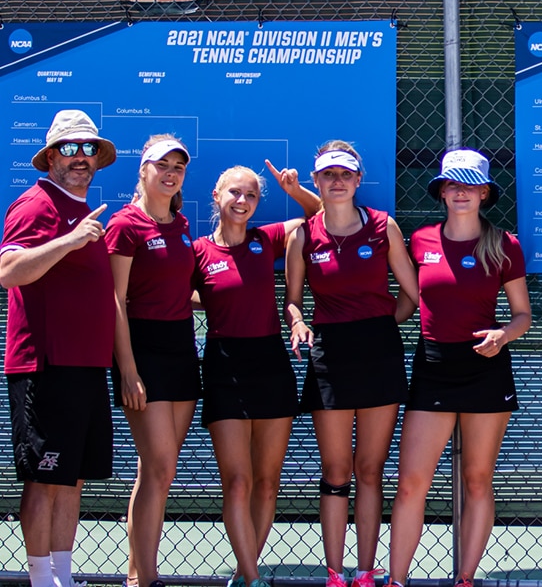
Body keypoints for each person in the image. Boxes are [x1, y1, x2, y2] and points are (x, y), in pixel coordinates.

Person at [388, 148, 531, 587]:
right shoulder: (420, 241)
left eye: (470, 185)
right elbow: (410, 302)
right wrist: (377, 327)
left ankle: (465, 578)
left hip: (485, 370)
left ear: (485, 192)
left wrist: (502, 335)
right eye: (453, 185)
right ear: (442, 192)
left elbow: (523, 315)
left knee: (477, 480)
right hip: (432, 366)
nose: (461, 193)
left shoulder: (505, 245)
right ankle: (395, 580)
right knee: (412, 482)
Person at [284, 142, 418, 587]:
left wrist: (381, 324)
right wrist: (300, 323)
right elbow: (293, 301)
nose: (337, 181)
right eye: (328, 175)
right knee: (336, 472)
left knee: (369, 471)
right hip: (330, 358)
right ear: (316, 181)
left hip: (379, 352)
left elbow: (411, 293)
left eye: (345, 174)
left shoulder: (384, 227)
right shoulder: (302, 235)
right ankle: (334, 574)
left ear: (358, 180)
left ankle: (364, 571)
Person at [0, 109, 117, 587]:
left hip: (86, 365)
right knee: (45, 477)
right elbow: (10, 270)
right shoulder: (35, 204)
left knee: (71, 477)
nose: (80, 158)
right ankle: (39, 578)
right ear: (50, 157)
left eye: (88, 149)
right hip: (46, 364)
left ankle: (63, 577)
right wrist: (69, 240)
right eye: (69, 149)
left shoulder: (82, 211)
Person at [193, 163, 320, 587]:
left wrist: (296, 190)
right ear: (217, 196)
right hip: (224, 367)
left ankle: (246, 570)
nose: (242, 201)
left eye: (250, 195)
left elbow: (319, 215)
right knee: (238, 481)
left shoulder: (267, 240)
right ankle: (251, 577)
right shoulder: (198, 251)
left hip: (270, 366)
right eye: (234, 193)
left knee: (267, 484)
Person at [105, 135, 199, 587]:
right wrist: (127, 368)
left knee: (158, 470)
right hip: (142, 353)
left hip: (182, 349)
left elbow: (182, 291)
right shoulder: (125, 225)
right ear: (142, 170)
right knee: (159, 466)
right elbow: (114, 300)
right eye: (161, 164)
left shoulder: (181, 225)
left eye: (178, 167)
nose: (170, 172)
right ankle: (147, 579)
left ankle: (135, 573)